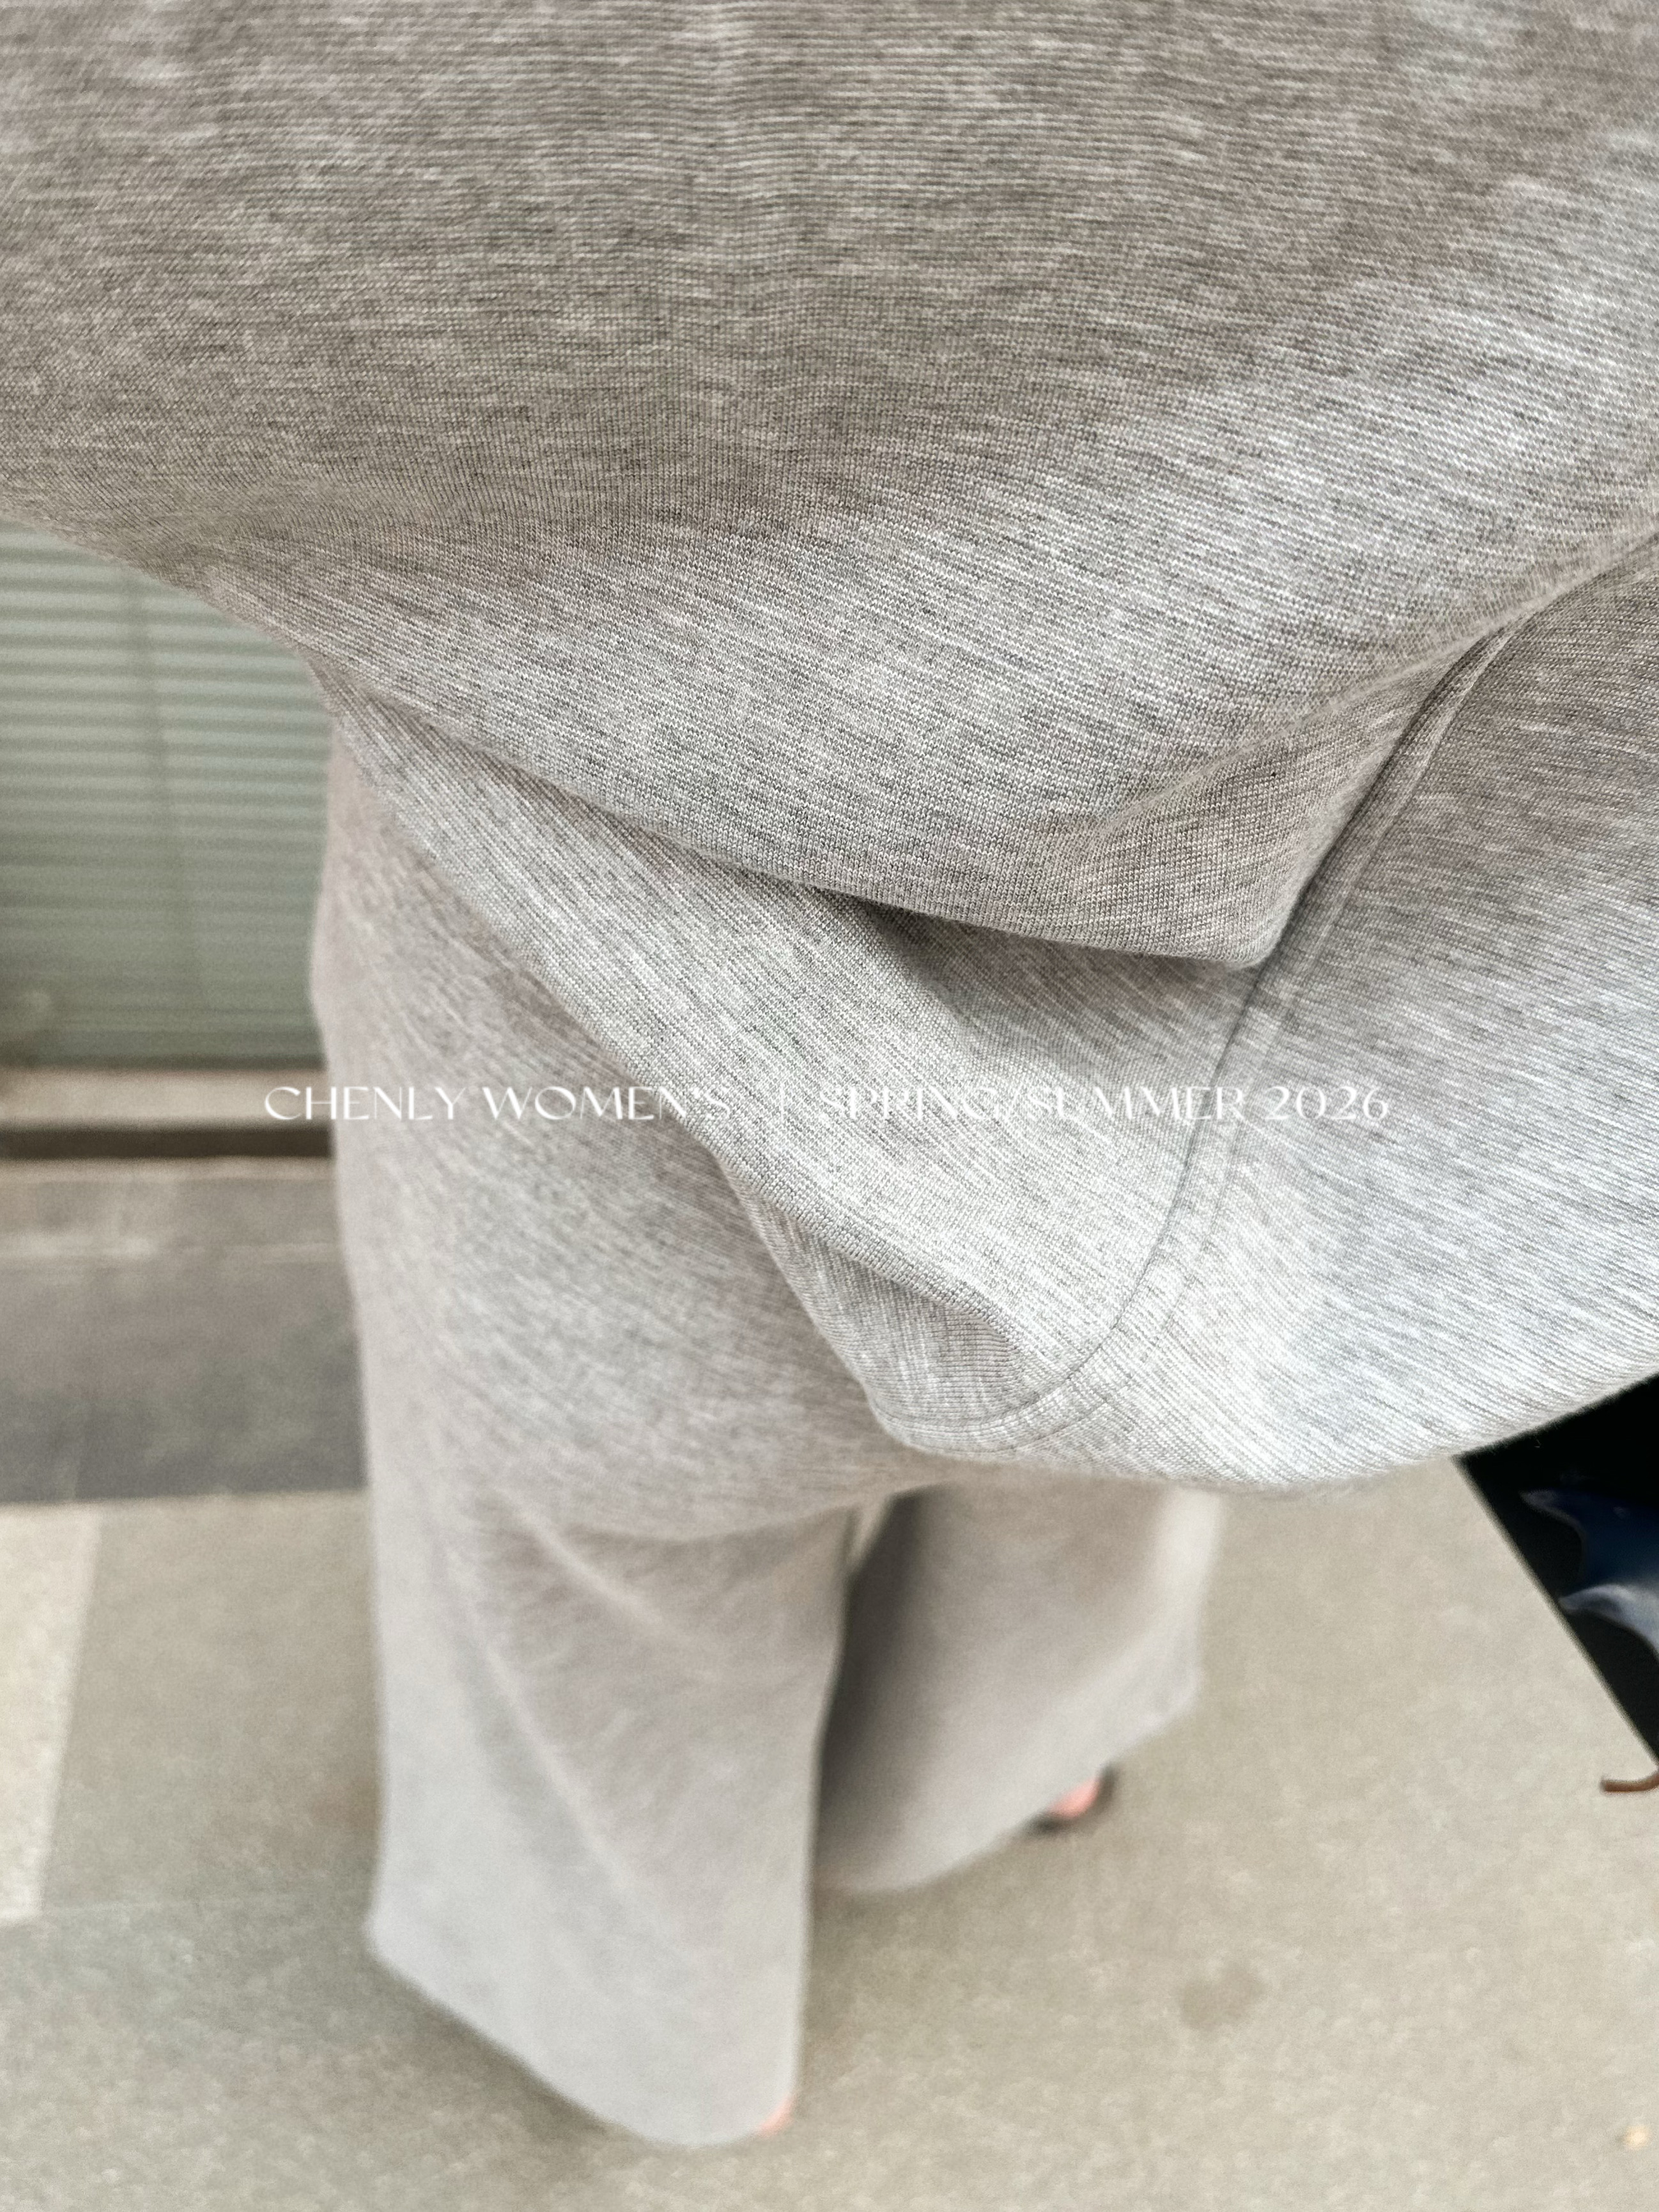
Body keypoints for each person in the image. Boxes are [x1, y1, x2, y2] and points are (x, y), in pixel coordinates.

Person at [3, 0, 1657, 2149]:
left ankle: (671, 2048)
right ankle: (989, 1785)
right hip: (1245, 1041)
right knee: (1089, 1482)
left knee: (593, 1585)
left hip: (559, 992)